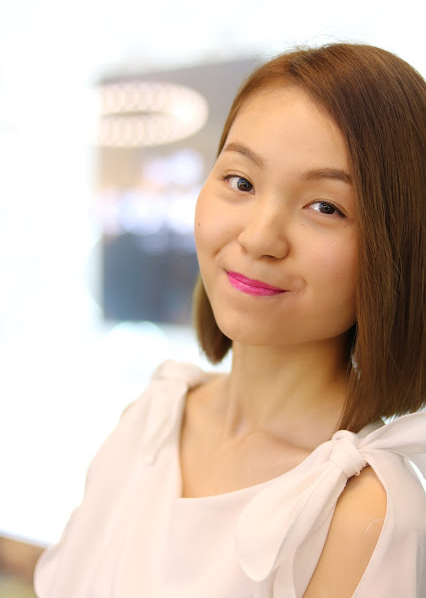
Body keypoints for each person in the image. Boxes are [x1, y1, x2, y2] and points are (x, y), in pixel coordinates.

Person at [34, 43, 426, 597]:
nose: (260, 237)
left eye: (325, 207)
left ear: (397, 246)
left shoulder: (362, 508)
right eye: (241, 182)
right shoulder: (152, 418)